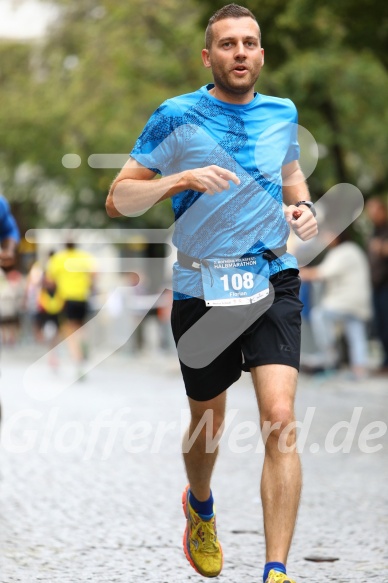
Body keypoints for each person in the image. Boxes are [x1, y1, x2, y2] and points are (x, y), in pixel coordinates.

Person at [106, 5, 318, 583]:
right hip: (203, 285)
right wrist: (179, 178)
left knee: (280, 417)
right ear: (209, 56)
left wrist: (303, 209)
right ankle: (200, 504)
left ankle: (276, 569)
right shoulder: (176, 116)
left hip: (273, 278)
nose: (241, 52)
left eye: (250, 43)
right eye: (228, 44)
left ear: (262, 54)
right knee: (209, 420)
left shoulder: (282, 112)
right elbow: (118, 196)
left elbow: (291, 174)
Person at [299, 230, 372, 379]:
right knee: (355, 332)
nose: (326, 239)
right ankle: (359, 369)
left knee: (319, 314)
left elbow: (321, 273)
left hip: (345, 300)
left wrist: (298, 272)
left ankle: (328, 354)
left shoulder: (344, 252)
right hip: (358, 301)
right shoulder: (352, 249)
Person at [45, 241, 96, 377]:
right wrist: (88, 284)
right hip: (83, 298)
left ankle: (78, 362)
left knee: (70, 332)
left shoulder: (58, 259)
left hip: (67, 299)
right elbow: (94, 273)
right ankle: (84, 344)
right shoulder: (84, 257)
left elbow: (49, 280)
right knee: (81, 328)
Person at [365, 197, 388, 374]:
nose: (372, 214)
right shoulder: (374, 231)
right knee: (380, 323)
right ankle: (385, 361)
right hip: (376, 284)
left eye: (375, 210)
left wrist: (382, 248)